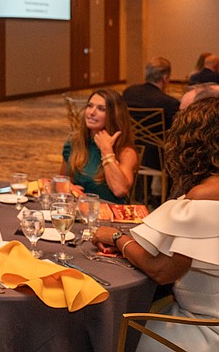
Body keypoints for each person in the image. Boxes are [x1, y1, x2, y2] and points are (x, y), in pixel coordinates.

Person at [92, 97, 219, 352]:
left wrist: (117, 238)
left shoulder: (204, 196)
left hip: (204, 328)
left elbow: (163, 271)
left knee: (110, 332)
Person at [60, 89, 139, 204]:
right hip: (77, 209)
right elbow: (61, 181)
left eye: (101, 109)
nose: (91, 112)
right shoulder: (75, 142)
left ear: (114, 115)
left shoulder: (125, 151)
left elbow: (120, 190)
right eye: (90, 106)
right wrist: (69, 188)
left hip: (108, 212)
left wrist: (107, 151)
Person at [123, 57, 180, 200]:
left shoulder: (129, 93)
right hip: (157, 158)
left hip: (130, 149)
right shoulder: (169, 103)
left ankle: (141, 195)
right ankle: (166, 199)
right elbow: (175, 132)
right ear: (165, 78)